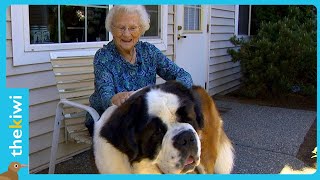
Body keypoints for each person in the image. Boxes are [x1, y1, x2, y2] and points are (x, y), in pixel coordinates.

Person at [85, 5, 193, 136]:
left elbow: (183, 76)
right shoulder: (103, 57)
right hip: (108, 120)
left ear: (141, 29)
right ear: (112, 29)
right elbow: (105, 96)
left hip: (143, 118)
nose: (126, 34)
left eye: (132, 28)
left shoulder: (149, 52)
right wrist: (114, 99)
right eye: (121, 28)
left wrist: (169, 93)